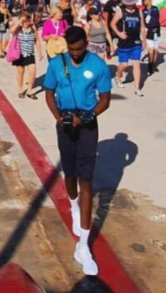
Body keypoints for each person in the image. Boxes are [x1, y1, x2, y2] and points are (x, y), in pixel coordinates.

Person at [43, 26, 113, 276]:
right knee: (69, 175)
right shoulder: (55, 64)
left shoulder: (98, 65)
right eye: (72, 49)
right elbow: (49, 93)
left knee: (87, 181)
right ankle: (73, 205)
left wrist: (88, 115)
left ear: (86, 44)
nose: (76, 53)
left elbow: (105, 99)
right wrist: (57, 117)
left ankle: (83, 245)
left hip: (87, 127)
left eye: (80, 49)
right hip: (64, 125)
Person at [112, 0, 147, 95]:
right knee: (124, 64)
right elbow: (112, 24)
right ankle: (118, 76)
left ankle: (137, 87)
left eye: (132, 4)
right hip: (124, 41)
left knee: (136, 63)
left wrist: (143, 40)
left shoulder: (138, 11)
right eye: (128, 4)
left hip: (136, 41)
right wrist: (119, 33)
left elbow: (142, 26)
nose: (130, 6)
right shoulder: (121, 11)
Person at [10, 15, 39, 100]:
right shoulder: (18, 29)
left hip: (30, 54)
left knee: (33, 71)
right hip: (20, 54)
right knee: (20, 72)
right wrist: (20, 21)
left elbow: (36, 40)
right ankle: (20, 90)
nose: (26, 23)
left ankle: (29, 90)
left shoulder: (33, 29)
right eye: (24, 21)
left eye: (27, 21)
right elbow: (11, 31)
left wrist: (40, 52)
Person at [142, 0, 163, 75]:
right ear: (144, 2)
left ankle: (154, 64)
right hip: (149, 31)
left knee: (155, 50)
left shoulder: (156, 7)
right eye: (146, 0)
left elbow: (163, 3)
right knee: (151, 50)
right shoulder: (143, 11)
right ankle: (150, 66)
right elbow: (143, 23)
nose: (149, 0)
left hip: (157, 31)